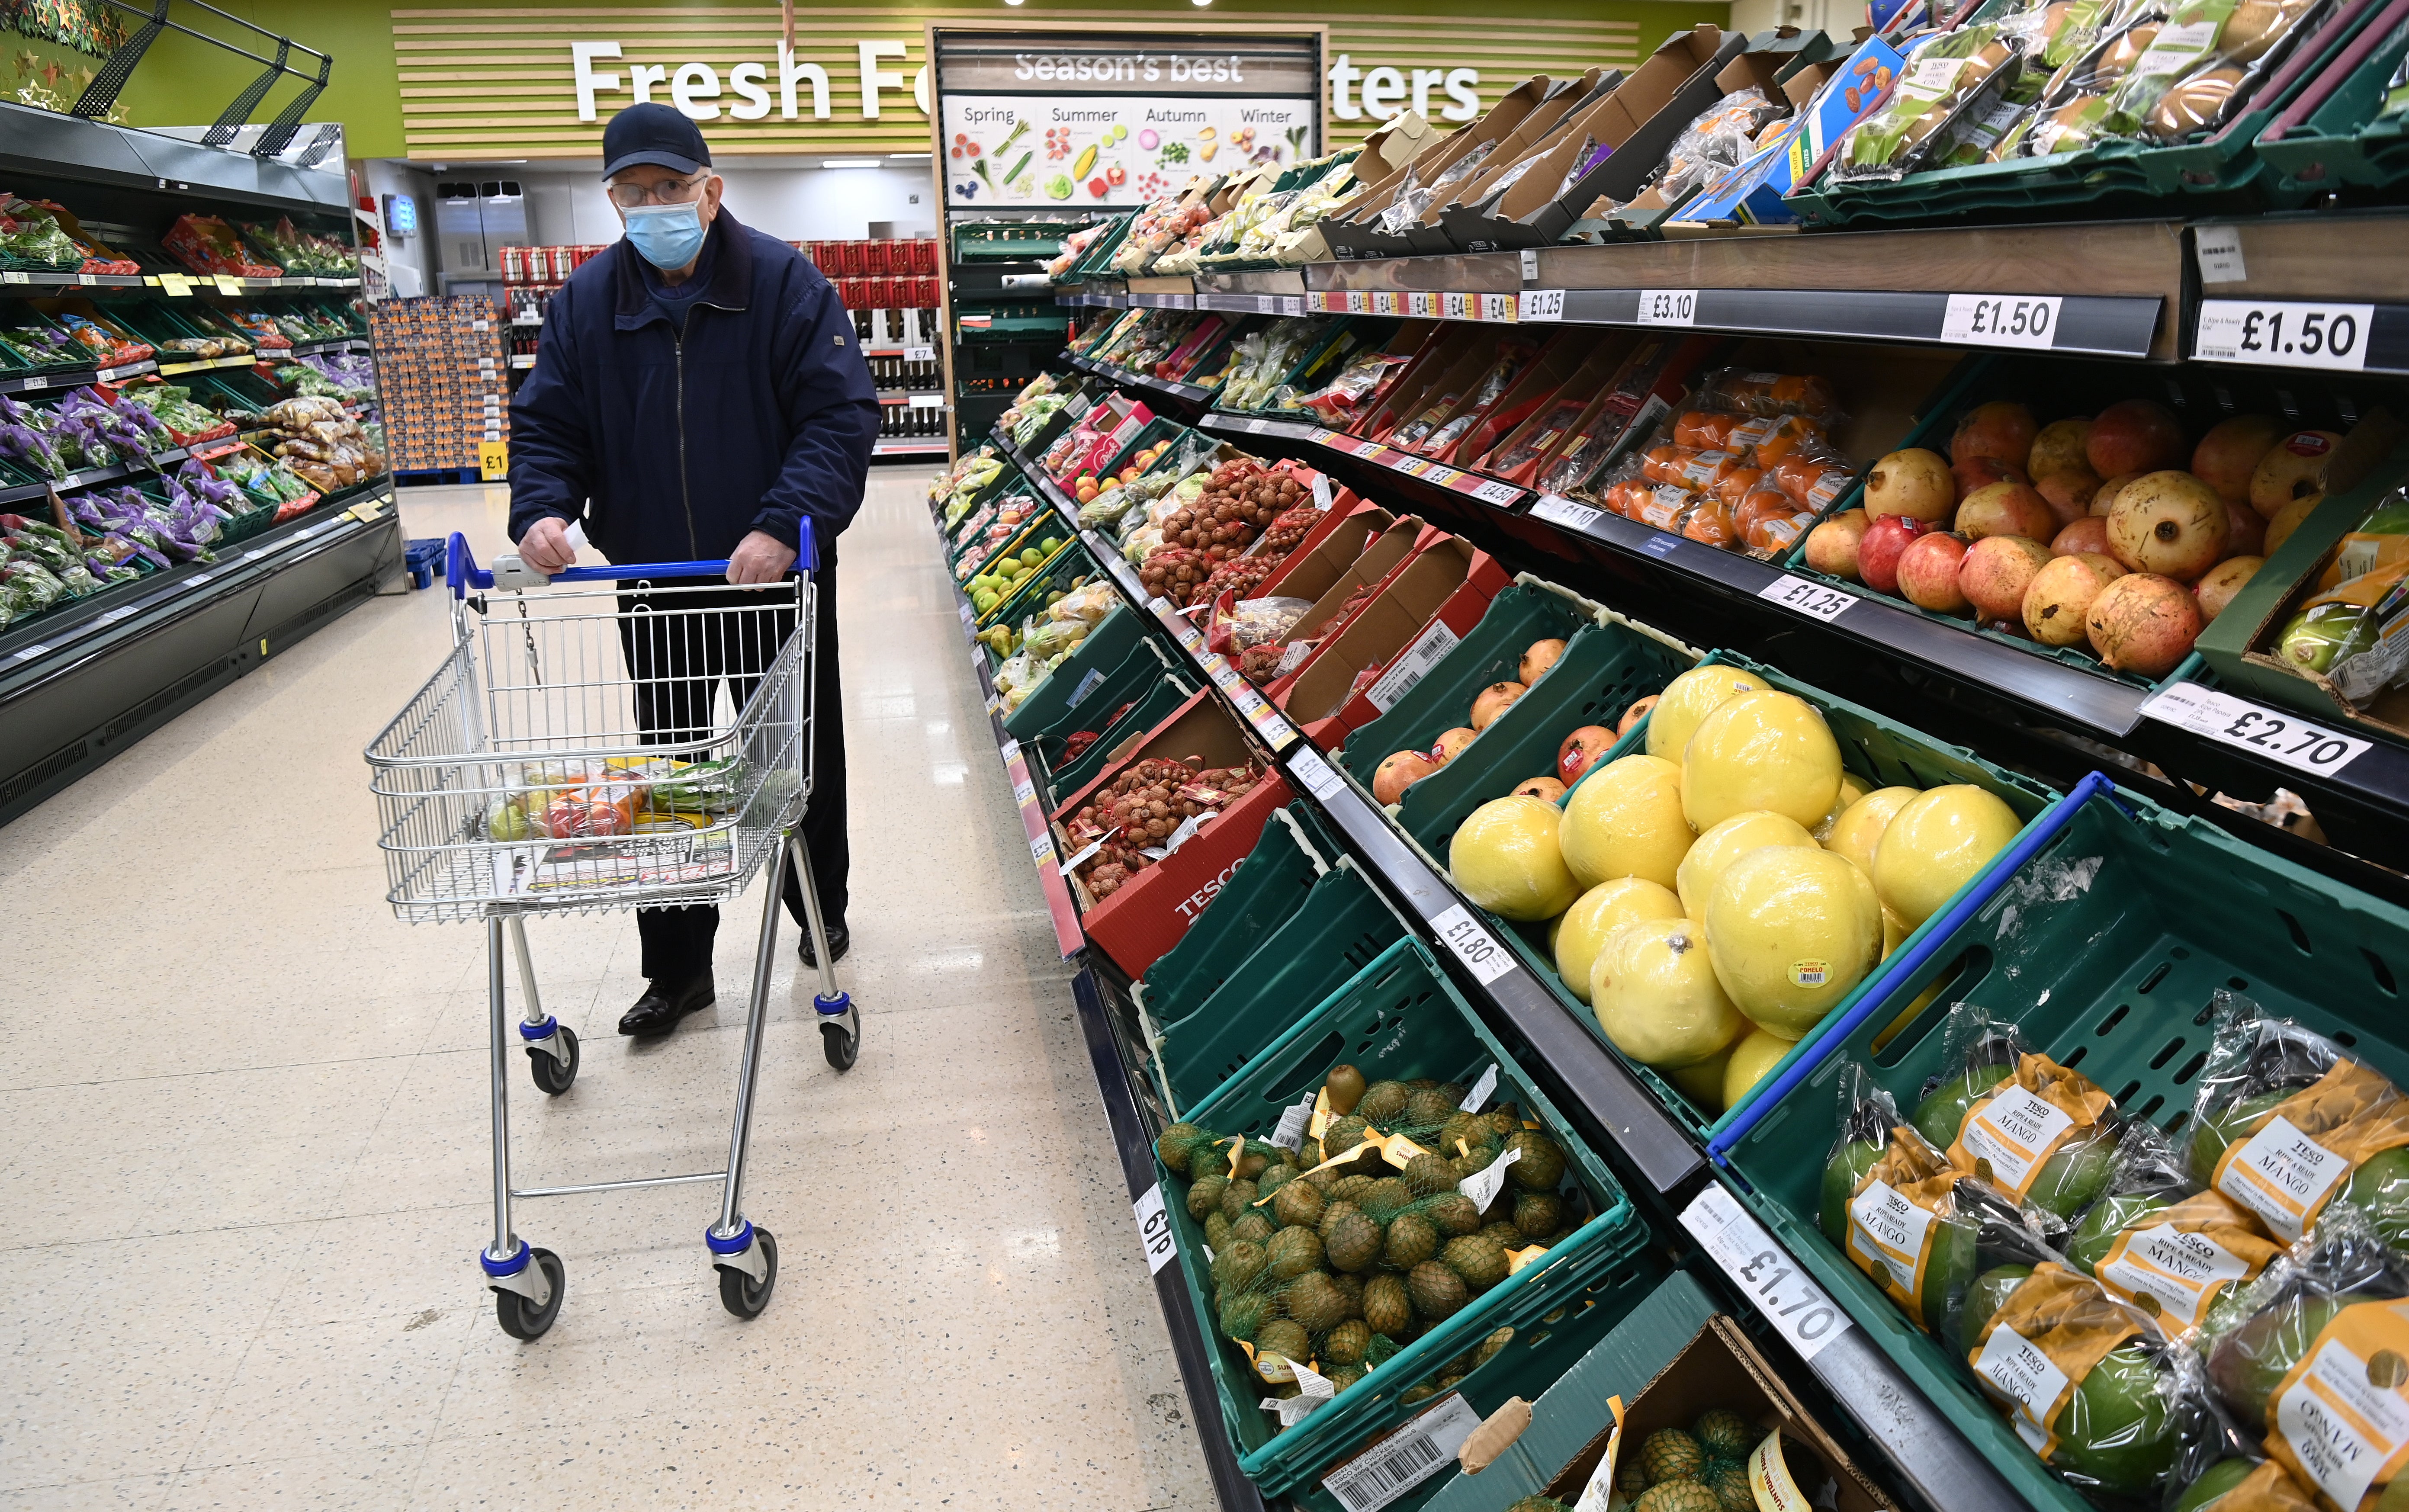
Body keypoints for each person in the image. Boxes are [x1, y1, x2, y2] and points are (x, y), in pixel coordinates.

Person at [508, 102, 877, 1037]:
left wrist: (780, 524)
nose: (654, 205)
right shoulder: (588, 304)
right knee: (669, 776)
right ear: (613, 201)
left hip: (770, 576)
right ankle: (677, 970)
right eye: (634, 193)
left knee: (793, 760)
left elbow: (840, 418)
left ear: (712, 191)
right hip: (657, 579)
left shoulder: (788, 287)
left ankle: (818, 912)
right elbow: (550, 424)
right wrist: (542, 510)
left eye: (671, 188)